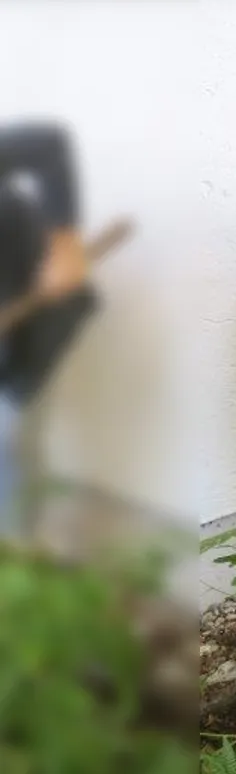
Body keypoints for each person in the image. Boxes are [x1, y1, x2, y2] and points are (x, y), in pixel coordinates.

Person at [0, 123, 94, 538]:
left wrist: (64, 246)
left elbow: (48, 145)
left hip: (22, 314)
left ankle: (14, 559)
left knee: (6, 442)